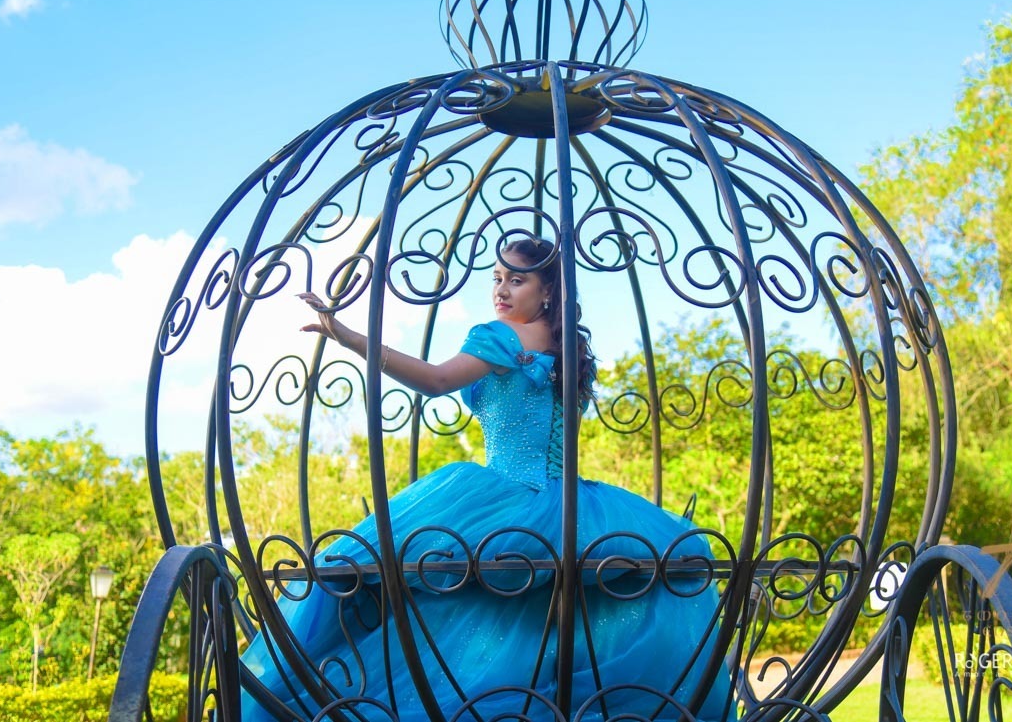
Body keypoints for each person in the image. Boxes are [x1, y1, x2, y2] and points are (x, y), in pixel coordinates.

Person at [240, 237, 734, 721]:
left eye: (516, 280)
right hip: (572, 505)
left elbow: (434, 381)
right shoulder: (568, 348)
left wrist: (347, 336)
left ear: (547, 291)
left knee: (400, 584)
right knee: (555, 612)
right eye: (496, 279)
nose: (500, 290)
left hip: (505, 498)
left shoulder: (499, 338)